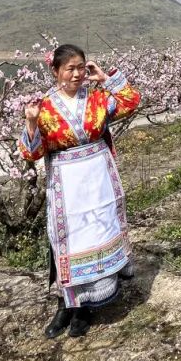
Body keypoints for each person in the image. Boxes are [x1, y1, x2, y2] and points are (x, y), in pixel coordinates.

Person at [19, 44, 141, 339]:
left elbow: (131, 102)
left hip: (98, 177)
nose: (76, 74)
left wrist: (107, 79)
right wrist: (31, 122)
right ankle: (65, 304)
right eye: (69, 69)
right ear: (55, 71)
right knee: (68, 241)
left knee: (97, 234)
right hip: (67, 182)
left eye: (81, 67)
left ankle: (86, 306)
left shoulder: (98, 97)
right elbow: (29, 153)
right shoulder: (44, 106)